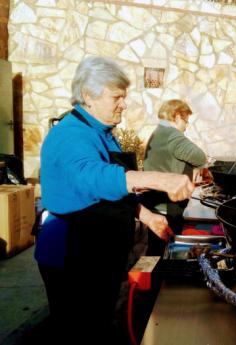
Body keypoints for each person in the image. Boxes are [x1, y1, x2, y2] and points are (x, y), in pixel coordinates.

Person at [35, 56, 194, 344]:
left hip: (100, 252)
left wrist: (145, 215)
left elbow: (110, 192)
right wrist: (160, 179)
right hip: (72, 254)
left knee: (99, 324)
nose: (123, 104)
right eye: (116, 97)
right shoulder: (70, 134)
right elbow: (94, 177)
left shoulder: (105, 134)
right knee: (78, 331)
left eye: (124, 96)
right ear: (88, 97)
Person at [142, 100, 207, 234]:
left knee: (159, 246)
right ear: (177, 117)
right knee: (165, 246)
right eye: (186, 121)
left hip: (157, 202)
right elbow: (200, 157)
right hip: (166, 205)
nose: (187, 126)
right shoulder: (172, 134)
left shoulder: (161, 131)